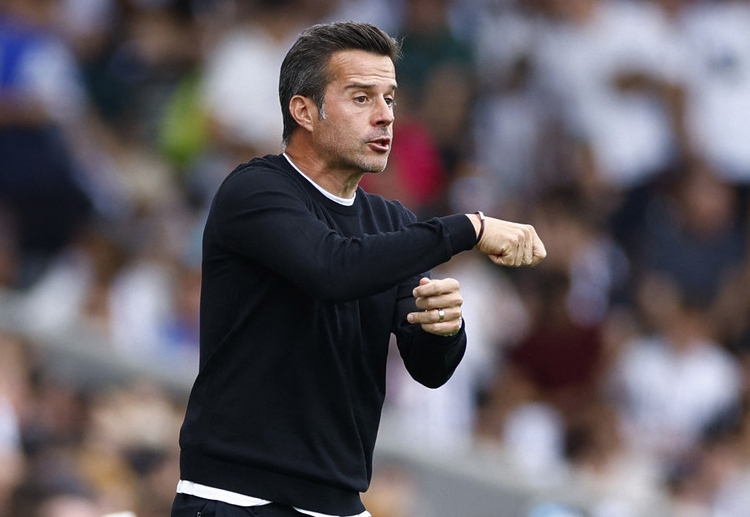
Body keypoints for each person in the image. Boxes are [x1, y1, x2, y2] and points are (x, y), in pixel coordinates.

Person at [171, 21, 546, 517]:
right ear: (304, 111)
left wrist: (443, 330)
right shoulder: (254, 190)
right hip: (238, 498)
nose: (385, 116)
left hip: (340, 503)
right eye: (361, 98)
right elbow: (332, 270)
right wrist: (467, 228)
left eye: (389, 99)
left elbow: (430, 370)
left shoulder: (391, 221)